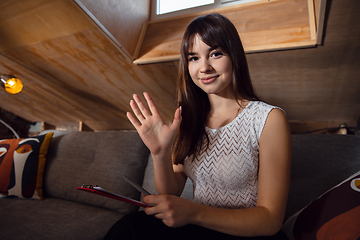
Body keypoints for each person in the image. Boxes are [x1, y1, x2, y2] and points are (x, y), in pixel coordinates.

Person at [104, 13, 291, 240]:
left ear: (234, 56)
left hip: (247, 234)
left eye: (215, 54)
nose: (204, 67)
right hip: (198, 228)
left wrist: (194, 213)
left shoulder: (268, 119)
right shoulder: (189, 120)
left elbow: (270, 220)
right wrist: (160, 153)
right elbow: (171, 191)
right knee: (130, 226)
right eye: (193, 58)